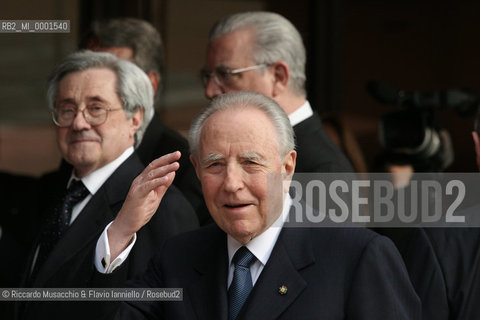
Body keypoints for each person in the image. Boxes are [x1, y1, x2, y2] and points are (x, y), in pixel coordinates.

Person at [100, 91, 420, 319]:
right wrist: (122, 230)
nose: (232, 183)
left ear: (288, 167)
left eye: (251, 163)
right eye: (215, 165)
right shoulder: (178, 258)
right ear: (196, 170)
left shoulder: (358, 256)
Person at [14, 51, 198, 320]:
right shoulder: (59, 195)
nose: (78, 123)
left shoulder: (161, 205)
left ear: (135, 119)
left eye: (96, 109)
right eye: (67, 109)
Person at [81, 17, 210, 225]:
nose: (97, 84)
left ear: (150, 84)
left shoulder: (181, 163)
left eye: (115, 74)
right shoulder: (81, 141)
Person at [201, 11, 353, 173]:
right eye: (207, 76)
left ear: (278, 77)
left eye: (226, 74)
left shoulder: (324, 173)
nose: (210, 91)